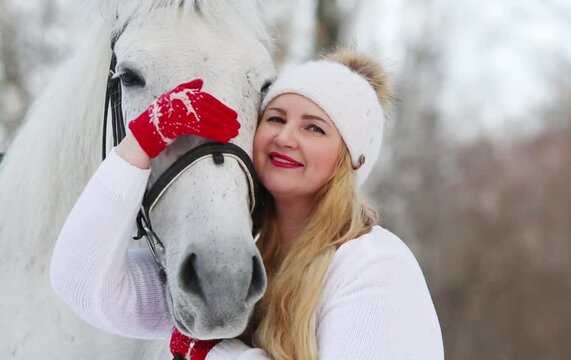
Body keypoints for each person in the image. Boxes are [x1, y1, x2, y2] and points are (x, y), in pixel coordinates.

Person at [50, 49, 444, 360]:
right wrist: (141, 142)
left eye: (314, 127)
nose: (286, 137)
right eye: (275, 118)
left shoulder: (375, 265)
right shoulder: (234, 264)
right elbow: (83, 284)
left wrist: (214, 352)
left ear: (351, 160)